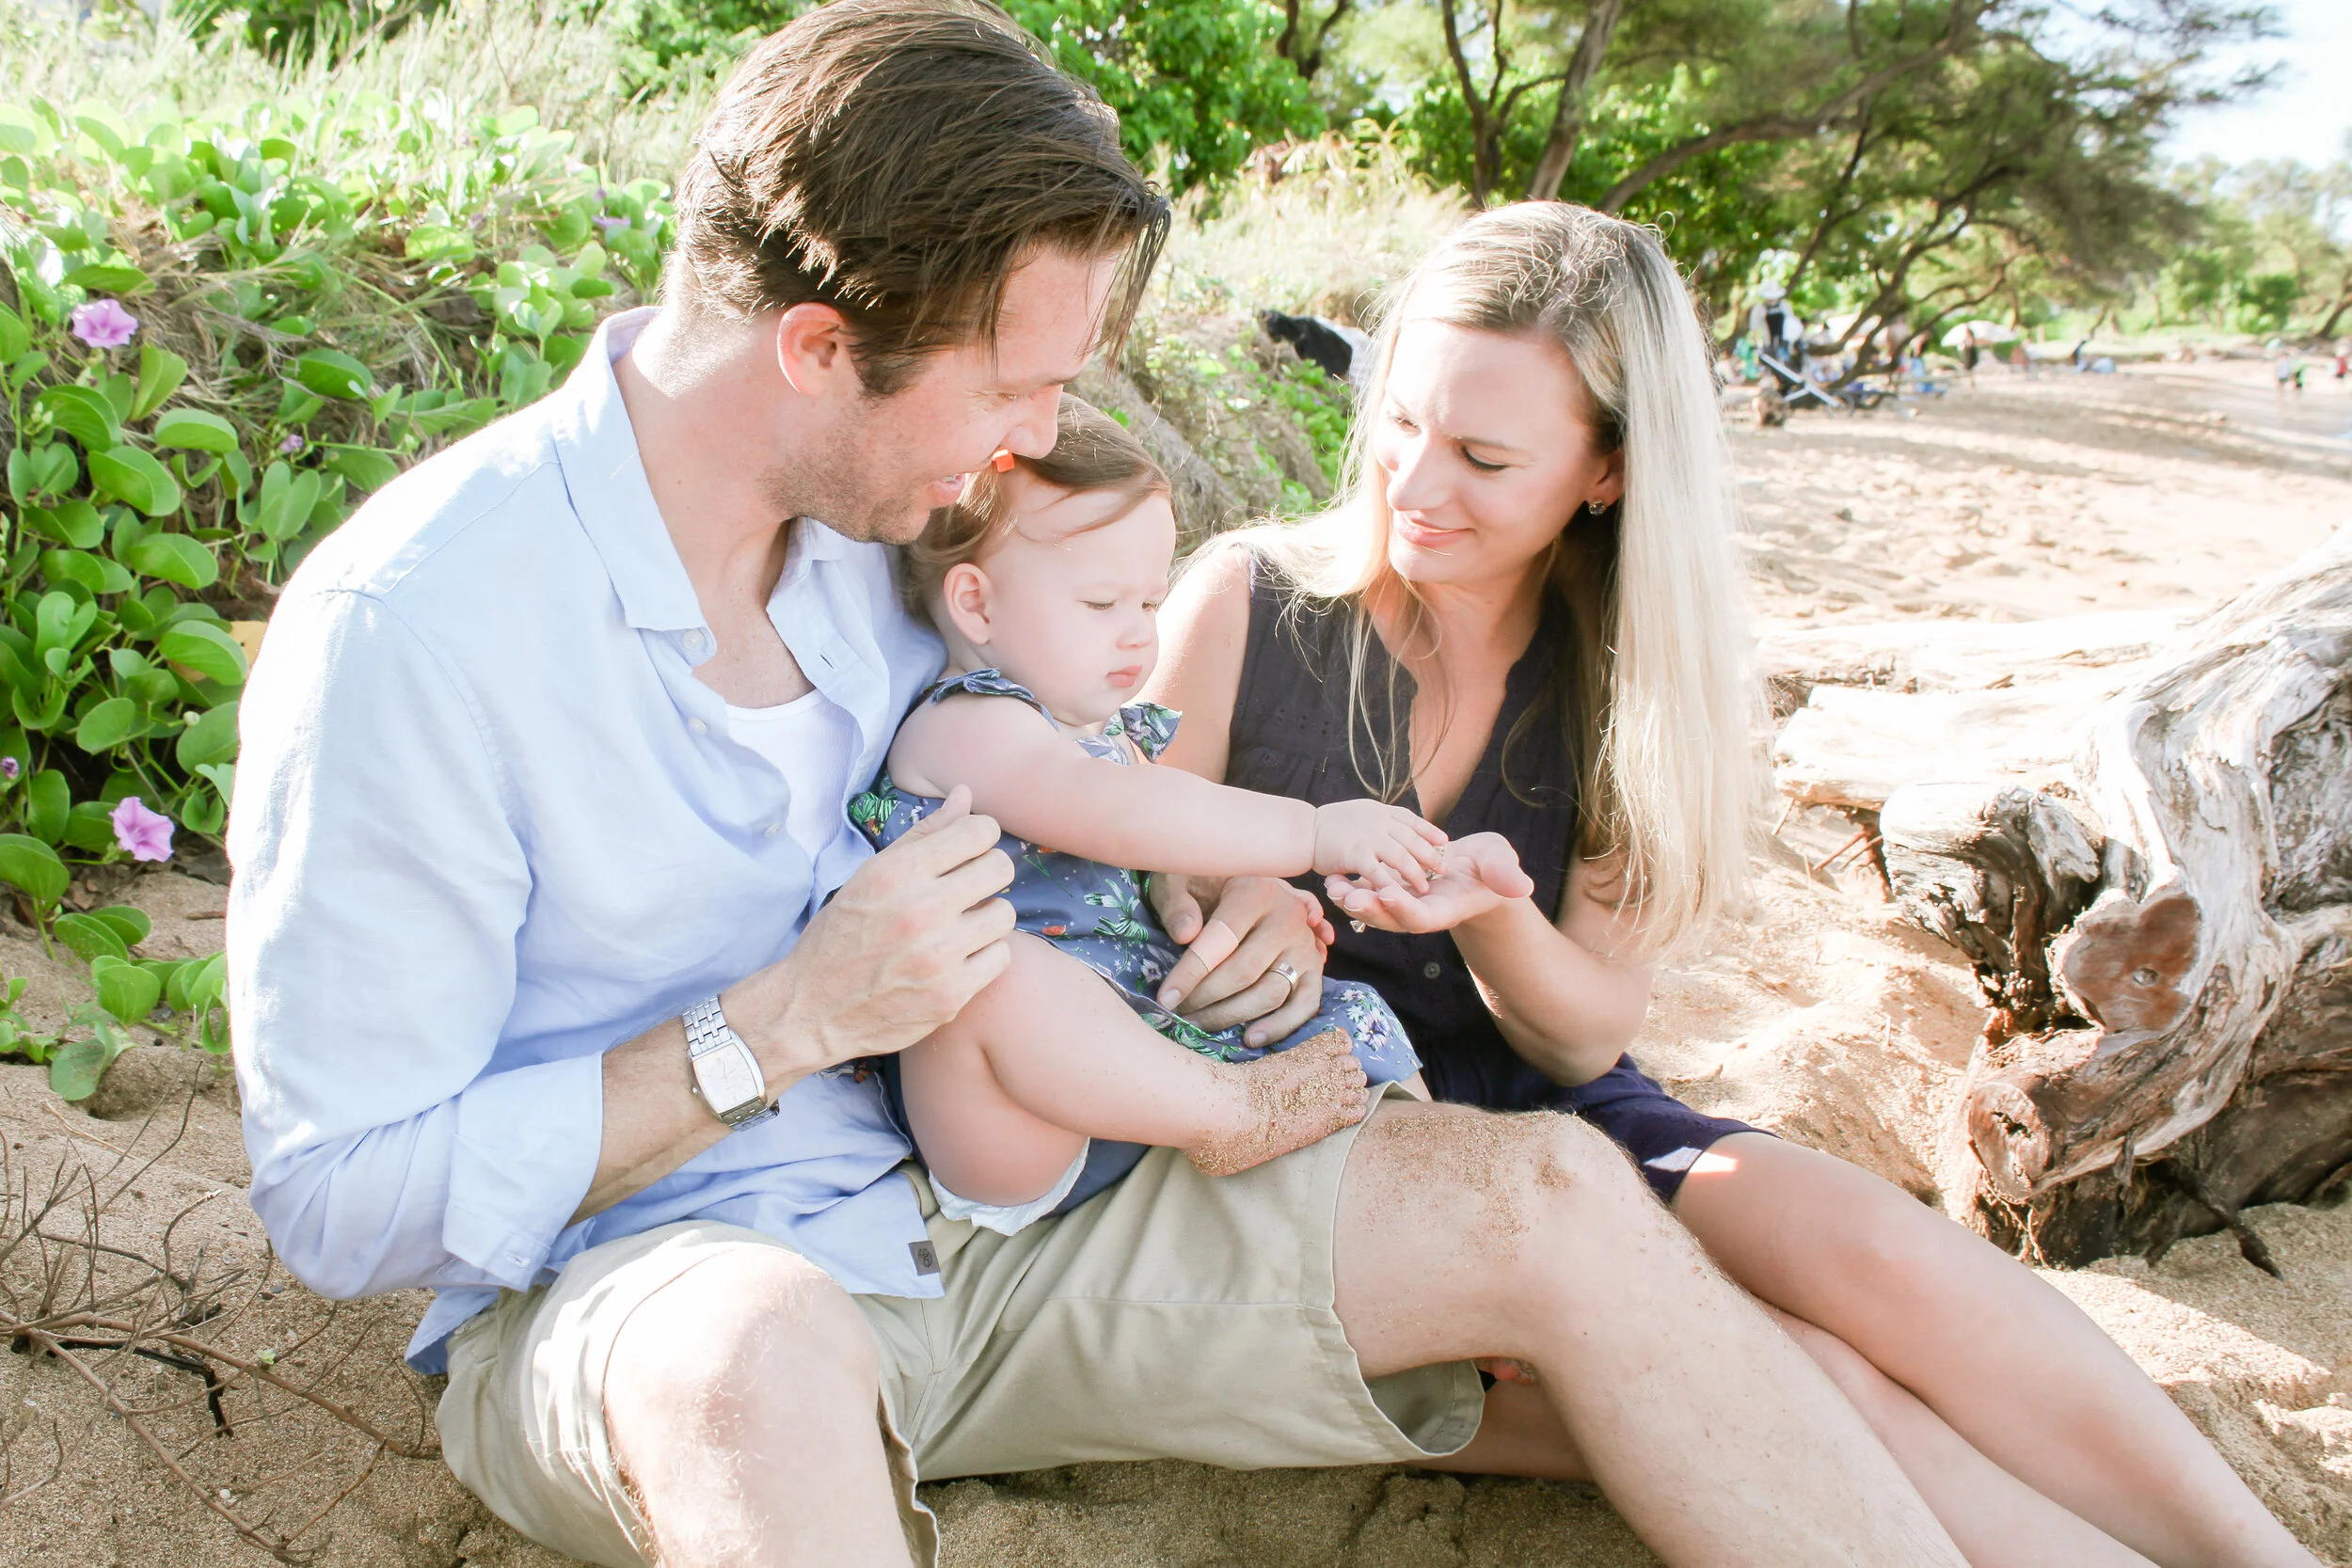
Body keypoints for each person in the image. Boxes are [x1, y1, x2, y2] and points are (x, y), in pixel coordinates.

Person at [227, 8, 1974, 1567]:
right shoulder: (422, 631)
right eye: (1016, 389)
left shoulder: (900, 536)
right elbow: (337, 1193)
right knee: (751, 1356)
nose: (1025, 444)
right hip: (657, 1274)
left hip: (1012, 1215)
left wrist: (1237, 892)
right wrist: (774, 1024)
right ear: (820, 348)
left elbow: (1106, 782)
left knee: (1561, 1197)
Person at [1146, 201, 2326, 1568]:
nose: (1414, 481)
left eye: (1483, 456)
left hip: (1545, 1095)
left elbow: (1582, 1037)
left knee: (1875, 1251)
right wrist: (1233, 890)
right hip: (1329, 1133)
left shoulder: (1627, 673)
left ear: (1607, 471)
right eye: (1402, 422)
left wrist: (1493, 912)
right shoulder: (1244, 601)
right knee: (1822, 1375)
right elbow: (1120, 864)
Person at [849, 396, 1438, 1233]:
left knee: (1349, 1022)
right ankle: (1231, 1111)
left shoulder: (1102, 731)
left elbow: (1162, 846)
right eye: (1101, 605)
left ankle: (1440, 1207)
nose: (1137, 636)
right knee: (989, 972)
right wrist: (1309, 833)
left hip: (1143, 1054)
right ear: (976, 604)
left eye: (1150, 604)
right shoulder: (967, 724)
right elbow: (1114, 811)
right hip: (1015, 1120)